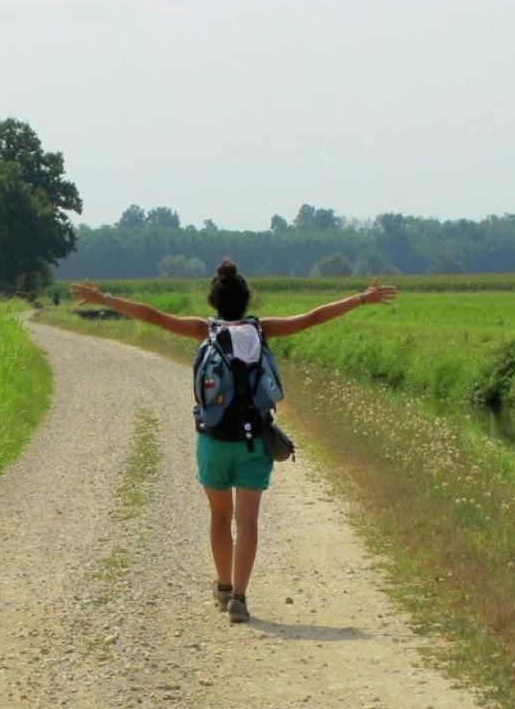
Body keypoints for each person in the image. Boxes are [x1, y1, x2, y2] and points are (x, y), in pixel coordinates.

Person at [71, 259, 398, 623]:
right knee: (248, 521)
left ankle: (223, 586)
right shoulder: (263, 329)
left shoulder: (203, 329)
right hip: (254, 442)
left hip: (213, 441)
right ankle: (239, 599)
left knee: (219, 516)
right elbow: (312, 318)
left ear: (214, 302)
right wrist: (361, 298)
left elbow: (152, 316)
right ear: (246, 300)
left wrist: (105, 298)